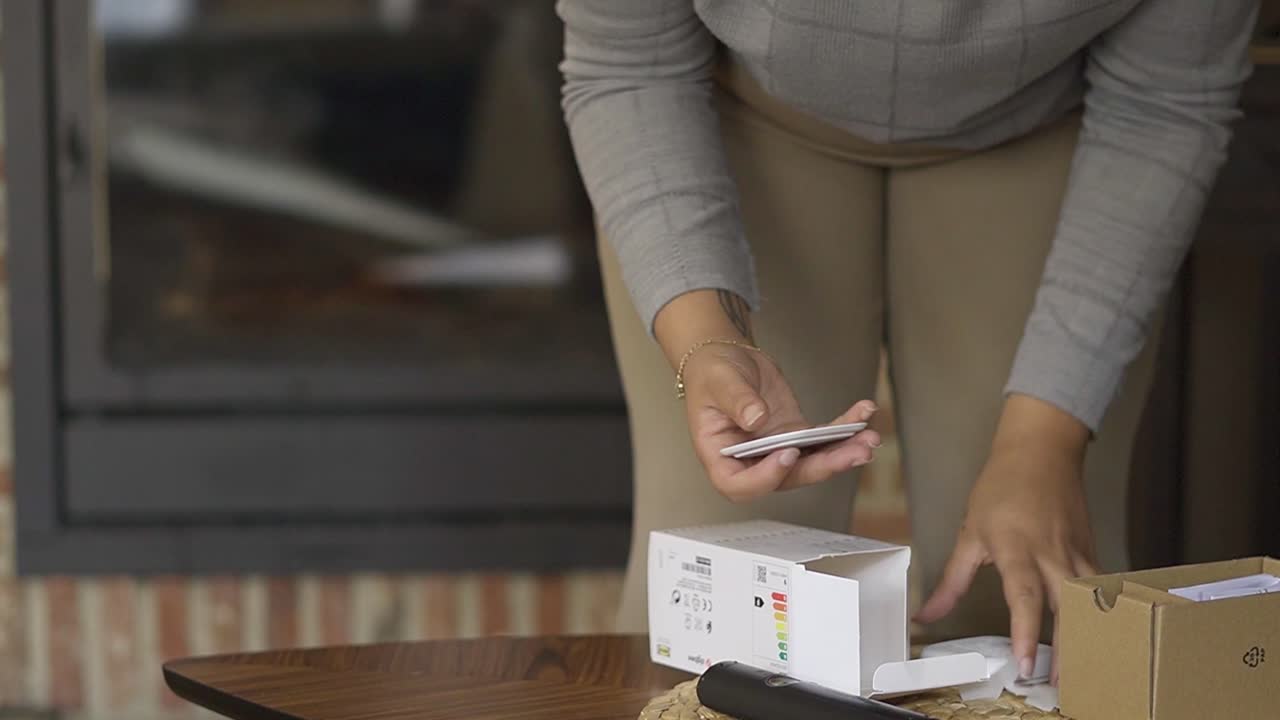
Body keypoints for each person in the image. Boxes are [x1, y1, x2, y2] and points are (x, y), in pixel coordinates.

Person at [556, 0, 1258, 681]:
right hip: (732, 118)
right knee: (719, 591)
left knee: (1017, 589)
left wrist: (1045, 436)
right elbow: (628, 61)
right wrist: (705, 340)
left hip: (1043, 125)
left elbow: (1167, 105)